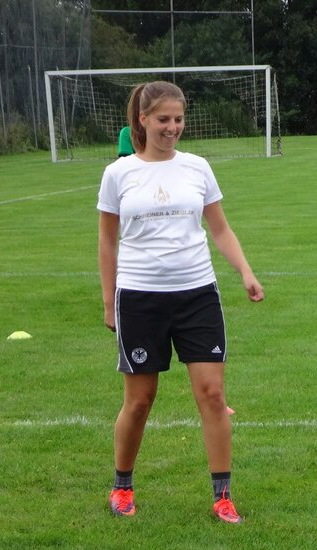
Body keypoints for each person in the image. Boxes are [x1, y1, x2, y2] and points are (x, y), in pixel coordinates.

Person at [97, 81, 264, 524]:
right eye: (163, 119)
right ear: (143, 120)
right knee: (140, 400)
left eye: (178, 119)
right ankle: (122, 486)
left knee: (213, 394)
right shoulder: (119, 173)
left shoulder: (197, 167)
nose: (172, 127)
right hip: (139, 298)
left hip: (197, 294)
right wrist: (109, 302)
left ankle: (223, 496)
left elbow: (220, 229)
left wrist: (245, 272)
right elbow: (107, 241)